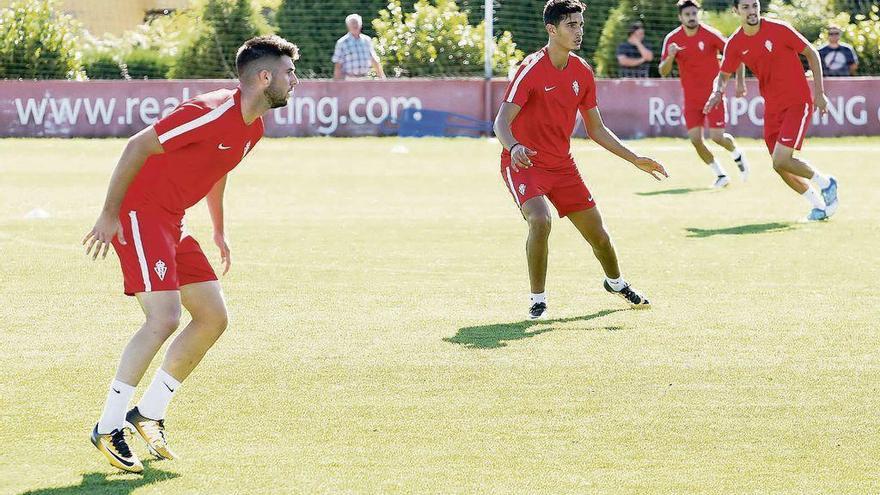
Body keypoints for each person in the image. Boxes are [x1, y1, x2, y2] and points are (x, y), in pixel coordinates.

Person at [82, 35, 299, 473]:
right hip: (140, 214)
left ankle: (149, 412)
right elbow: (137, 146)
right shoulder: (209, 111)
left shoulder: (253, 127)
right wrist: (109, 214)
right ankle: (108, 426)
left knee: (213, 317)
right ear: (264, 77)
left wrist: (218, 229)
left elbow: (217, 170)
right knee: (163, 318)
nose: (295, 81)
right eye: (289, 72)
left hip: (172, 221)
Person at [495, 0, 668, 320]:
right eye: (571, 25)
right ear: (552, 29)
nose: (579, 31)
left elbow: (597, 129)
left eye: (580, 25)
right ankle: (538, 300)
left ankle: (616, 283)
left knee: (599, 236)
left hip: (562, 166)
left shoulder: (582, 71)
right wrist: (515, 146)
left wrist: (634, 158)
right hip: (525, 163)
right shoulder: (531, 69)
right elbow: (500, 122)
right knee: (540, 220)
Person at [705, 0, 838, 221]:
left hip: (797, 102)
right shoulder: (735, 43)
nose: (752, 11)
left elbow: (812, 53)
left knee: (781, 160)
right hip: (772, 108)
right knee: (779, 166)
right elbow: (723, 73)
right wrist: (717, 91)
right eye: (746, 7)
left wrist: (819, 93)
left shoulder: (779, 29)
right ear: (736, 11)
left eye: (754, 5)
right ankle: (818, 206)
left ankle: (826, 183)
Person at [660, 0, 750, 188]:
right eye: (687, 15)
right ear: (680, 17)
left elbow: (736, 54)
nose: (692, 17)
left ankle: (736, 153)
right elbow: (663, 71)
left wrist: (740, 82)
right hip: (691, 100)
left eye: (694, 13)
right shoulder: (672, 39)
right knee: (695, 140)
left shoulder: (710, 34)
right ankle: (720, 175)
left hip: (713, 96)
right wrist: (670, 56)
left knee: (717, 137)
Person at [332, 13, 386, 80]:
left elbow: (374, 60)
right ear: (348, 26)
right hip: (349, 79)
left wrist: (382, 78)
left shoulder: (367, 40)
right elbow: (338, 65)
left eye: (356, 22)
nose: (355, 25)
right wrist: (336, 83)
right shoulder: (342, 43)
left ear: (360, 24)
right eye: (352, 23)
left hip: (365, 78)